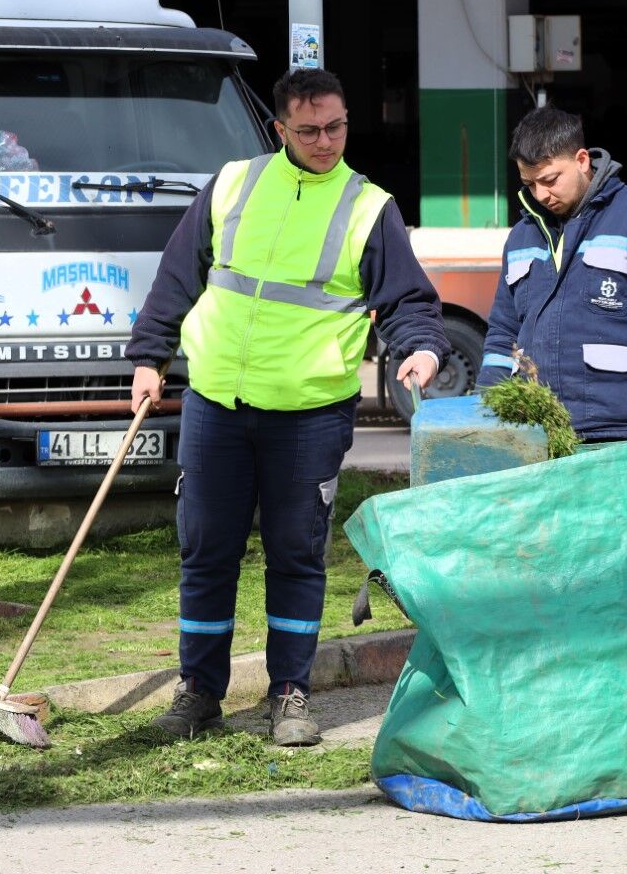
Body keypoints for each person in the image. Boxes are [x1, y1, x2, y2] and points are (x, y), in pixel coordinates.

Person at [127, 67, 448, 747]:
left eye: (336, 126)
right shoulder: (232, 184)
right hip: (217, 402)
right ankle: (199, 694)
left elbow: (408, 301)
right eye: (309, 130)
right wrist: (148, 358)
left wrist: (421, 348)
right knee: (205, 553)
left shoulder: (369, 207)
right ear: (280, 129)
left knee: (296, 556)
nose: (327, 140)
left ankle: (290, 695)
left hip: (309, 412)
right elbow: (177, 275)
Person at [476, 104, 627, 463]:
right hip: (532, 435)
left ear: (582, 160)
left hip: (619, 436)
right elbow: (503, 334)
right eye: (529, 184)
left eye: (550, 179)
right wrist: (485, 415)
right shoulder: (520, 237)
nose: (541, 195)